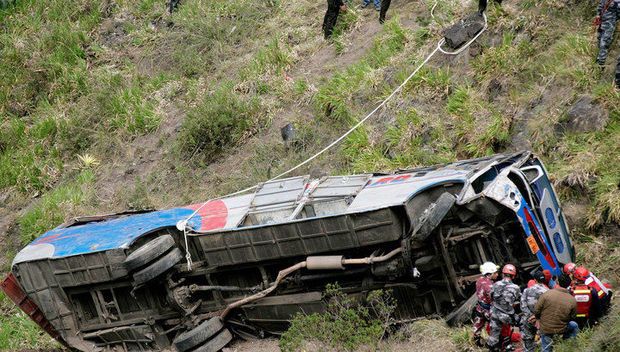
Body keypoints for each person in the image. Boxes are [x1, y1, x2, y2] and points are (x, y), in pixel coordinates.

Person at [533, 274, 579, 352]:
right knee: (574, 325)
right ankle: (570, 345)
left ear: (557, 282)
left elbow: (536, 310)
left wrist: (538, 319)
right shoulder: (572, 300)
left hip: (545, 328)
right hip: (561, 328)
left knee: (546, 348)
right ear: (569, 284)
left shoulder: (547, 294)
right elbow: (573, 316)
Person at [487, 264, 521, 352]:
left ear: (503, 274)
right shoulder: (516, 287)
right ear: (513, 276)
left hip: (494, 313)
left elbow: (490, 296)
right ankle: (507, 345)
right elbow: (518, 300)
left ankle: (493, 348)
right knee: (514, 325)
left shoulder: (495, 284)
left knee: (493, 335)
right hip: (507, 316)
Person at [521, 270, 549, 352]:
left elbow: (523, 306)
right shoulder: (547, 291)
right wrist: (537, 317)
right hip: (542, 320)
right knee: (546, 341)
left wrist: (530, 316)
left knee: (528, 339)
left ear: (535, 280)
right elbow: (548, 307)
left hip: (528, 320)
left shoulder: (526, 290)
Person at [472, 262, 499, 347]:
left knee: (477, 326)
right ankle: (492, 345)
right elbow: (495, 299)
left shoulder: (479, 280)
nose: (497, 274)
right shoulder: (490, 286)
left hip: (480, 307)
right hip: (488, 310)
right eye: (495, 273)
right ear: (490, 274)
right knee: (495, 328)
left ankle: (475, 343)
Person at [595, 0, 620, 87]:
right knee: (599, 43)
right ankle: (598, 63)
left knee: (604, 44)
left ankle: (600, 65)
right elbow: (600, 7)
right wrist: (598, 16)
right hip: (602, 24)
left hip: (609, 25)